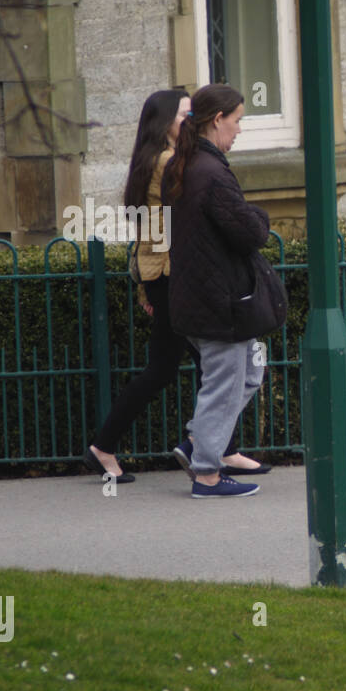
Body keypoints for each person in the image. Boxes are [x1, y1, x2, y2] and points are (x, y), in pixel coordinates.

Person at [84, 89, 266, 483]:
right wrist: (155, 285)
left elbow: (146, 233)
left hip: (162, 277)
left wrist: (145, 285)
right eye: (184, 115)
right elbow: (168, 231)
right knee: (190, 369)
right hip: (173, 277)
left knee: (206, 368)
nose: (189, 120)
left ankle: (213, 446)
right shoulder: (171, 162)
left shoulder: (153, 160)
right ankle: (114, 445)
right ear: (164, 121)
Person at [163, 83, 271, 498]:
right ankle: (207, 473)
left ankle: (197, 443)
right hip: (219, 303)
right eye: (238, 120)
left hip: (199, 295)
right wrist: (259, 216)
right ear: (217, 120)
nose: (240, 130)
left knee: (250, 372)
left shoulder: (184, 165)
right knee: (225, 382)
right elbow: (249, 232)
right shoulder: (209, 172)